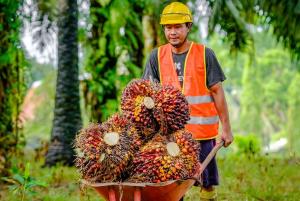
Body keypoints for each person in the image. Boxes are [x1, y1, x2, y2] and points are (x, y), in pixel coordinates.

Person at [142, 2, 233, 201]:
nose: (172, 32)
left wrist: (226, 128)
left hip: (202, 136)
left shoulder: (205, 54)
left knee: (207, 185)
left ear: (188, 26)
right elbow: (147, 96)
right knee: (173, 186)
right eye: (168, 27)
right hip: (170, 136)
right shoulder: (156, 57)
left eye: (178, 27)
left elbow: (217, 91)